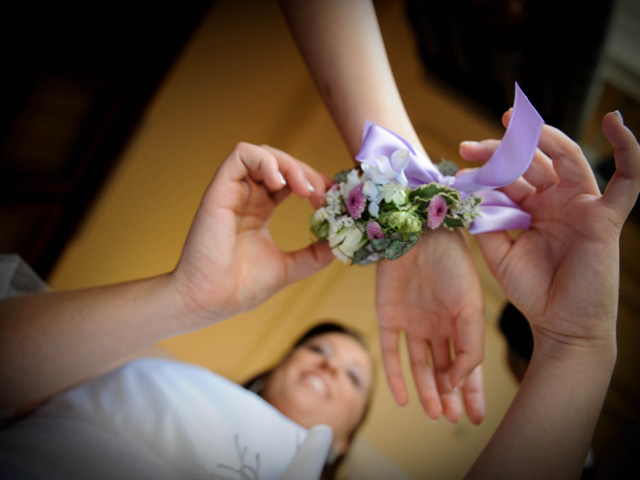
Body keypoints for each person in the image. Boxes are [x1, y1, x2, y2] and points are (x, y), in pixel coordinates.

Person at [0, 106, 638, 479]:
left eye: (353, 380)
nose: (330, 366)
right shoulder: (142, 368)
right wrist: (188, 297)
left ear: (341, 445)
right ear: (266, 375)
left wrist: (574, 347)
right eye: (320, 353)